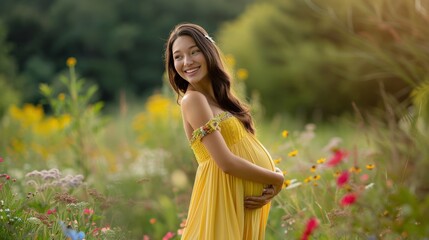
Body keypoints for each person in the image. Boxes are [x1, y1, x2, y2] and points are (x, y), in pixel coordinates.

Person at [164, 23, 284, 240]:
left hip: (241, 203)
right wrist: (277, 179)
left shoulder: (219, 100)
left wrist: (273, 176)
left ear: (208, 52)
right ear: (173, 65)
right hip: (222, 200)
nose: (187, 62)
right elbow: (226, 163)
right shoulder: (193, 99)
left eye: (194, 52)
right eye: (178, 56)